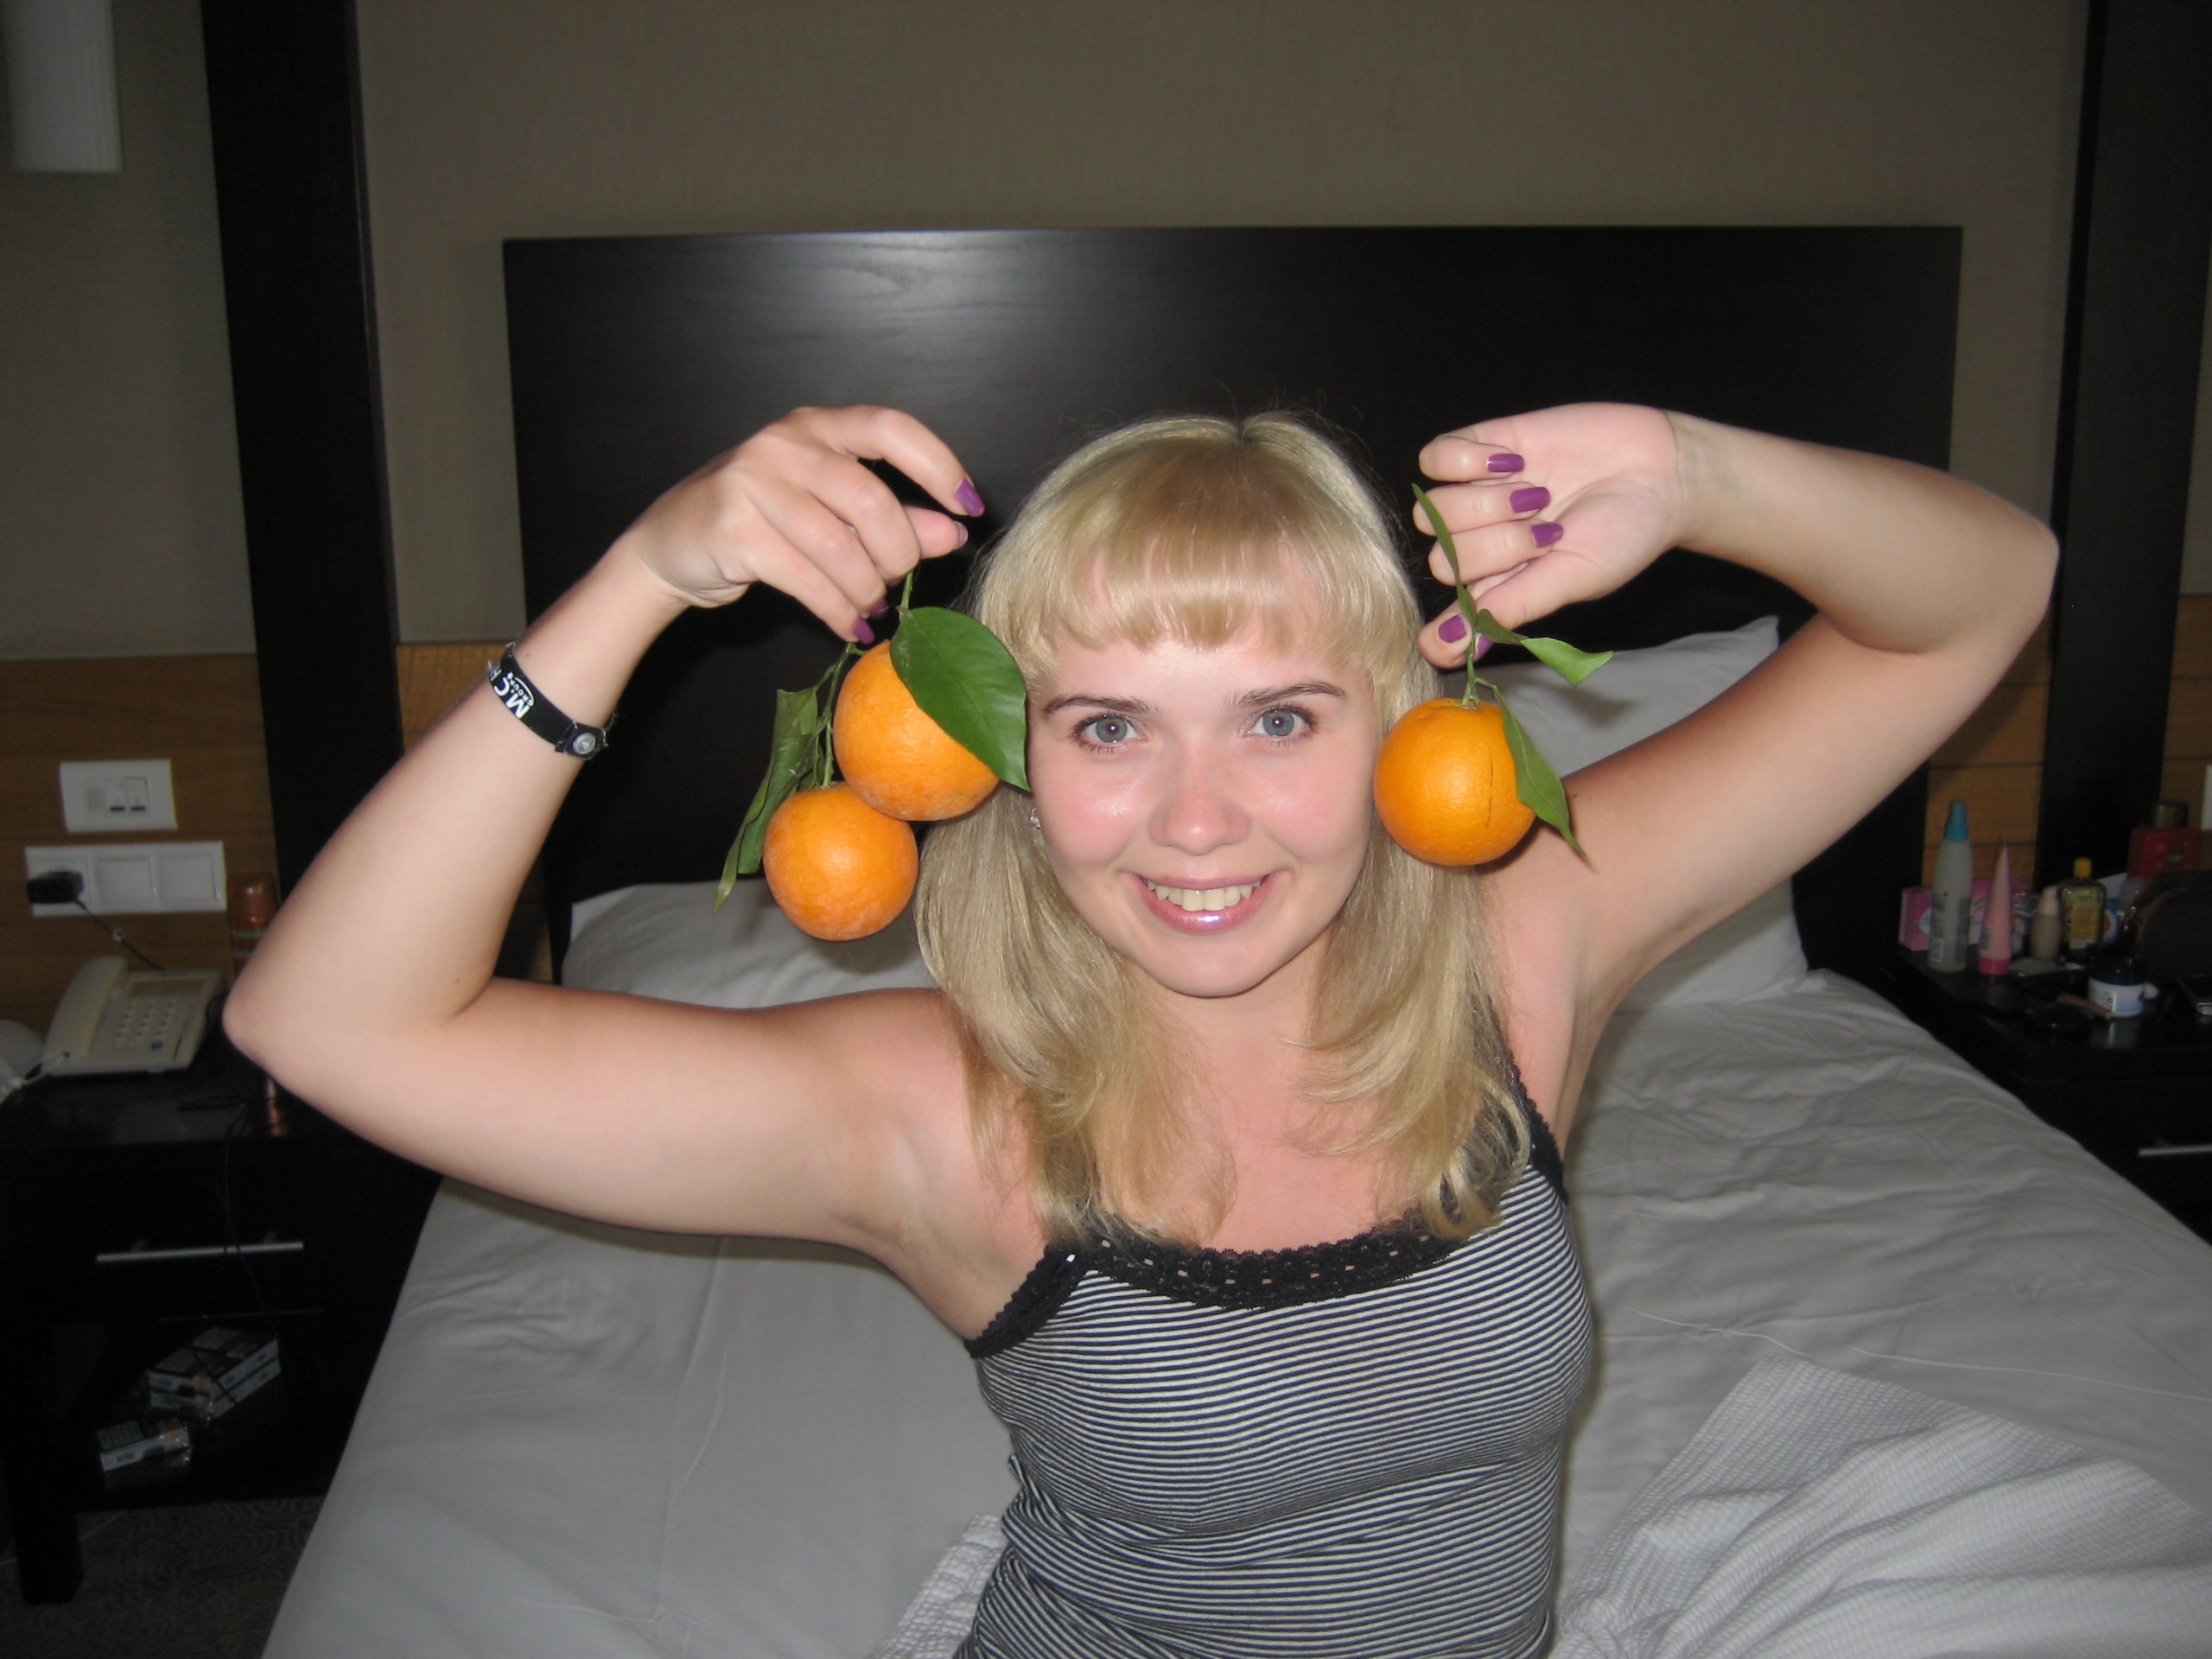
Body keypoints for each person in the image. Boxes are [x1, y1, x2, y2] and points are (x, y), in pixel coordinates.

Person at [226, 401, 2054, 1658]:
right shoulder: (944, 1116)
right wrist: (643, 576)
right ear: (1008, 761)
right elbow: (326, 1021)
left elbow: (1977, 599)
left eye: (1279, 719)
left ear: (1398, 724)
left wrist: (1698, 472)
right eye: (1108, 727)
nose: (1197, 824)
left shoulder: (1516, 948)